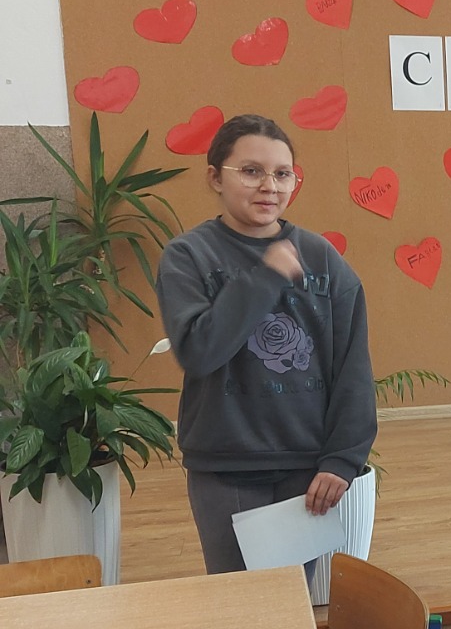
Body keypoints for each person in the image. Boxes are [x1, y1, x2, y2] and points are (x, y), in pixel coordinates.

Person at [156, 114, 376, 575]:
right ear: (215, 177)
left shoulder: (322, 258)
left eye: (283, 174)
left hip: (305, 467)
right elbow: (199, 350)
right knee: (240, 603)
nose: (269, 186)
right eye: (251, 171)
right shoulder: (189, 256)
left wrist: (342, 460)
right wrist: (266, 277)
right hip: (226, 466)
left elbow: (352, 369)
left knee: (291, 601)